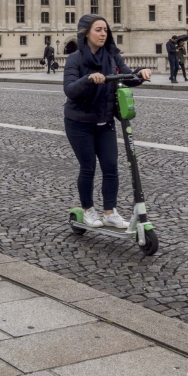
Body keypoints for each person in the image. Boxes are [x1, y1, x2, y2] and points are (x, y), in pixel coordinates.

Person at [64, 14, 151, 228]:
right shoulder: (75, 58)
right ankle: (88, 210)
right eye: (98, 30)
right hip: (79, 122)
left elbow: (128, 77)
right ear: (86, 33)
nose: (103, 34)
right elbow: (70, 89)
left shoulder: (112, 57)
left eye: (105, 30)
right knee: (88, 167)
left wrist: (141, 74)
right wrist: (88, 79)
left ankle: (110, 212)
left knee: (111, 167)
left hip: (105, 121)